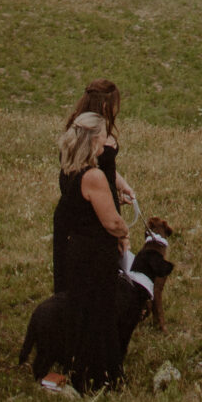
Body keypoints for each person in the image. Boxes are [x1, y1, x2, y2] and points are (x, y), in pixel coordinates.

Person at [50, 110, 131, 390]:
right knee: (101, 311)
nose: (108, 143)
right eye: (104, 136)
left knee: (81, 311)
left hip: (75, 252)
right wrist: (125, 232)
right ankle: (102, 374)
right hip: (95, 254)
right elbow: (112, 221)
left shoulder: (70, 169)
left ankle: (76, 367)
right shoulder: (94, 175)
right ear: (94, 139)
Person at [53, 79, 134, 293]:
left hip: (99, 195)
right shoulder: (86, 132)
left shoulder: (89, 130)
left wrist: (120, 184)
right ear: (106, 105)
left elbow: (105, 167)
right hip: (91, 204)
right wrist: (123, 232)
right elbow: (90, 173)